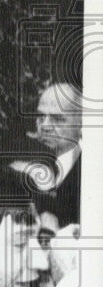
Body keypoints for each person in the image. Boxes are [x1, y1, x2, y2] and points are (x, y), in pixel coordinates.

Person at [30, 82, 82, 229]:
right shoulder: (33, 167)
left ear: (81, 123)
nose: (45, 126)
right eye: (40, 116)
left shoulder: (91, 174)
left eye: (57, 119)